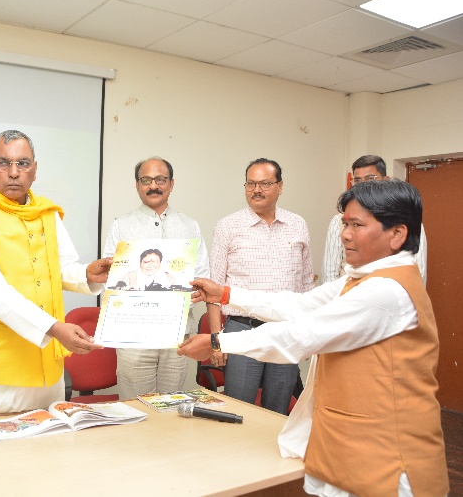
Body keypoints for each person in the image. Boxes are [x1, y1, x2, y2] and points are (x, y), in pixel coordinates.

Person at [178, 179, 448, 496]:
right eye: (345, 224)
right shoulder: (363, 279)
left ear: (397, 234)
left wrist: (218, 342)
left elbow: (301, 335)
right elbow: (300, 305)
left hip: (388, 458)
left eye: (357, 225)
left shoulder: (386, 290)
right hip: (353, 444)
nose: (345, 234)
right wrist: (226, 294)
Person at [0, 130, 112, 414]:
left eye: (23, 164)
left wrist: (87, 275)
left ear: (34, 170)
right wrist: (55, 328)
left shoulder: (46, 212)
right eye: (4, 163)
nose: (14, 172)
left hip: (46, 370)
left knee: (49, 442)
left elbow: (60, 269)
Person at [206, 158, 313, 414]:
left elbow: (306, 284)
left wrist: (308, 335)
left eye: (265, 183)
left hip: (285, 333)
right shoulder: (228, 226)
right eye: (251, 184)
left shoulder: (297, 224)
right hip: (242, 330)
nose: (257, 190)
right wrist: (216, 341)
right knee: (239, 409)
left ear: (280, 186)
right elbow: (213, 289)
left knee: (278, 410)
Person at [103, 156, 209, 399]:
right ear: (137, 185)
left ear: (171, 183)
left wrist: (190, 295)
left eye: (160, 180)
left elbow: (202, 275)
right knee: (136, 406)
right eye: (146, 180)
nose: (153, 186)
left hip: (176, 333)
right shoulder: (121, 225)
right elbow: (111, 277)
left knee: (170, 406)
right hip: (132, 335)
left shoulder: (189, 226)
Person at [322, 155, 428, 284]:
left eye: (370, 179)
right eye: (357, 180)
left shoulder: (408, 221)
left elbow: (418, 271)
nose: (363, 185)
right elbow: (329, 275)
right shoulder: (339, 220)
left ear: (385, 180)